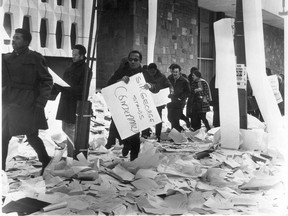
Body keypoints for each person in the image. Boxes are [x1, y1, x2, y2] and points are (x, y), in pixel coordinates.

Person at [2, 28, 53, 174]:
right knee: (3, 137)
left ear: (26, 41)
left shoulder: (36, 58)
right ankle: (1, 170)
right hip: (9, 103)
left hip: (28, 103)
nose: (13, 40)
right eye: (13, 38)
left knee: (31, 136)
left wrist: (40, 102)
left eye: (17, 38)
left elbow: (47, 81)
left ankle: (45, 160)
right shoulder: (6, 59)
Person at [55, 44, 92, 158]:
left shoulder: (86, 69)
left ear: (82, 56)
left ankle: (73, 155)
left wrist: (67, 88)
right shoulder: (71, 67)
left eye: (75, 55)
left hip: (75, 102)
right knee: (65, 127)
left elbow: (83, 89)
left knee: (71, 129)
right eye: (72, 54)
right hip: (66, 101)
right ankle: (72, 153)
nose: (73, 57)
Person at [106, 50, 143, 161]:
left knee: (135, 135)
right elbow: (109, 84)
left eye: (135, 60)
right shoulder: (122, 70)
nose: (132, 62)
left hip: (137, 108)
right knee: (119, 131)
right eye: (130, 59)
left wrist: (150, 86)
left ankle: (134, 159)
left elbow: (156, 84)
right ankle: (126, 143)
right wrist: (120, 81)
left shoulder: (144, 72)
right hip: (123, 107)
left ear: (140, 61)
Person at [142, 63, 173, 142]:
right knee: (146, 117)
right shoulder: (144, 76)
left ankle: (158, 135)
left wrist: (170, 90)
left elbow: (168, 84)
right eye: (150, 72)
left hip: (158, 101)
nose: (151, 73)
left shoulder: (161, 77)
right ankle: (145, 134)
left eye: (153, 72)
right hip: (147, 100)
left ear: (156, 70)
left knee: (158, 119)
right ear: (148, 70)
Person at [167, 64, 191, 132]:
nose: (174, 74)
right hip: (171, 101)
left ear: (179, 72)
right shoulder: (169, 78)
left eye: (176, 72)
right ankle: (181, 127)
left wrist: (181, 98)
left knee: (175, 118)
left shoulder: (184, 81)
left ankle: (175, 134)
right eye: (173, 72)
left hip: (180, 102)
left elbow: (188, 92)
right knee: (170, 118)